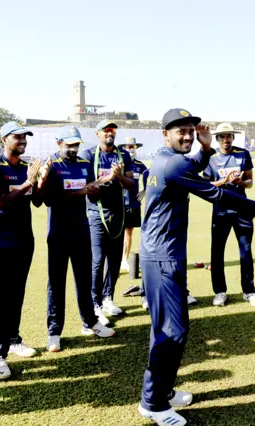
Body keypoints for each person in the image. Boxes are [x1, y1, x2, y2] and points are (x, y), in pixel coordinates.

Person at [138, 108, 255, 426]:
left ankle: (161, 390)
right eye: (180, 131)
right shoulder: (173, 163)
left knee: (166, 330)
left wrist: (205, 146)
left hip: (163, 254)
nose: (187, 136)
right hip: (162, 257)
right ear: (165, 134)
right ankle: (154, 404)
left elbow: (193, 164)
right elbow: (215, 194)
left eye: (190, 130)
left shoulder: (166, 157)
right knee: (172, 332)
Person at [37, 125, 115, 352]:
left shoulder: (84, 164)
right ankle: (54, 332)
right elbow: (51, 199)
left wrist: (102, 184)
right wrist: (82, 191)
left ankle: (90, 322)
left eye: (76, 145)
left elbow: (93, 195)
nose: (73, 149)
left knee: (84, 280)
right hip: (58, 232)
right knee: (56, 283)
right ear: (58, 143)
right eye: (68, 145)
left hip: (82, 230)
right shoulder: (50, 165)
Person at [0, 122, 45, 379]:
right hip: (4, 241)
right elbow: (0, 203)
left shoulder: (24, 168)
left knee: (18, 293)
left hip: (25, 240)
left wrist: (41, 180)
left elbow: (38, 202)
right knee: (3, 298)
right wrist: (27, 184)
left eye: (24, 137)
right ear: (4, 139)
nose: (22, 140)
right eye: (17, 137)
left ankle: (14, 338)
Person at [204, 123, 255, 307]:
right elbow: (205, 185)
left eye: (228, 136)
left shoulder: (243, 153)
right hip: (220, 210)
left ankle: (249, 291)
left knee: (246, 251)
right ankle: (220, 292)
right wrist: (223, 181)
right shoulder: (211, 158)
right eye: (222, 136)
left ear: (233, 137)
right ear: (217, 139)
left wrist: (240, 182)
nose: (226, 140)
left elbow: (250, 181)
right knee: (217, 252)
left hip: (242, 210)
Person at [82, 120, 135, 325]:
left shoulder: (123, 155)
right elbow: (87, 186)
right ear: (98, 134)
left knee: (114, 260)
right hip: (97, 213)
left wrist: (119, 177)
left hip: (118, 212)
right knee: (97, 261)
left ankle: (107, 298)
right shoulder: (88, 156)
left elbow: (131, 184)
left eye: (112, 130)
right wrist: (107, 178)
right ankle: (94, 304)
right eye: (106, 130)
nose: (109, 133)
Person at [119, 137, 148, 272]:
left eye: (133, 147)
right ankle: (115, 259)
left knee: (129, 232)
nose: (131, 149)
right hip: (119, 203)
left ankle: (124, 259)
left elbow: (151, 175)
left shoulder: (139, 165)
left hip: (134, 203)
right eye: (129, 146)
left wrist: (144, 191)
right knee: (117, 232)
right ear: (124, 148)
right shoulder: (120, 163)